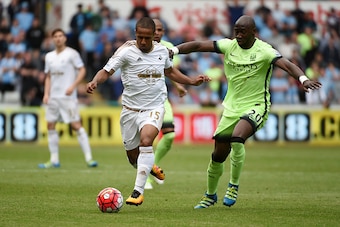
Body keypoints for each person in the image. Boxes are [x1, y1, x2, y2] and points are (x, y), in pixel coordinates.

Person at [170, 15, 322, 208]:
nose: (239, 35)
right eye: (236, 31)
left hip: (257, 105)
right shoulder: (228, 46)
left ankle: (233, 185)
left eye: (242, 31)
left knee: (237, 137)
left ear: (253, 32)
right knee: (218, 154)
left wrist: (303, 79)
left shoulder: (265, 51)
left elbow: (287, 65)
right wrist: (174, 50)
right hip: (232, 108)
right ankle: (210, 195)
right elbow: (199, 45)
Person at [86, 17, 210, 206]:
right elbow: (106, 71)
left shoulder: (162, 51)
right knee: (133, 157)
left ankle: (138, 192)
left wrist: (192, 81)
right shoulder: (126, 52)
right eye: (139, 37)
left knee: (146, 141)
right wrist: (95, 81)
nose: (143, 42)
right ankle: (149, 166)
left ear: (154, 36)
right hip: (129, 110)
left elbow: (170, 72)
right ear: (135, 35)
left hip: (154, 107)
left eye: (147, 38)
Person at [38, 28, 98, 169]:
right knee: (50, 125)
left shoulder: (72, 54)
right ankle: (54, 160)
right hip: (53, 97)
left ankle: (89, 158)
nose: (58, 38)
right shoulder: (49, 56)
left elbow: (82, 70)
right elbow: (48, 76)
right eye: (56, 36)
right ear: (53, 39)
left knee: (76, 125)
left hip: (68, 97)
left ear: (64, 38)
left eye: (60, 36)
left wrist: (73, 86)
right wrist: (46, 94)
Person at [144, 18, 188, 190]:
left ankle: (151, 169)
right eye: (155, 30)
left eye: (160, 30)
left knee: (169, 135)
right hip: (141, 101)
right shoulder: (139, 47)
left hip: (161, 98)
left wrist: (179, 86)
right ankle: (146, 177)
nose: (157, 33)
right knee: (145, 142)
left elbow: (168, 71)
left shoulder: (168, 48)